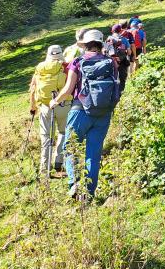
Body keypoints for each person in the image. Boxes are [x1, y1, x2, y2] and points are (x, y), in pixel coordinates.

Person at [50, 29, 120, 199]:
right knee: (93, 154)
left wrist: (55, 101)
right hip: (103, 113)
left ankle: (74, 184)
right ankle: (88, 193)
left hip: (80, 111)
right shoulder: (111, 63)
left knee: (70, 148)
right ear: (100, 44)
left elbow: (68, 89)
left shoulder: (77, 62)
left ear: (85, 44)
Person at [29, 45, 70, 177]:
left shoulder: (40, 68)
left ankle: (44, 169)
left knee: (46, 138)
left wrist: (33, 106)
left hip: (45, 106)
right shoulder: (66, 67)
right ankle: (59, 162)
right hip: (64, 105)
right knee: (63, 133)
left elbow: (33, 88)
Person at [104, 24, 132, 92]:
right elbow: (129, 52)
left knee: (112, 77)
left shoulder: (108, 39)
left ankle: (112, 93)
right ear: (120, 31)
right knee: (122, 78)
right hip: (122, 61)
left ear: (112, 31)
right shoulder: (124, 39)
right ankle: (121, 92)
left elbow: (105, 51)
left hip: (111, 62)